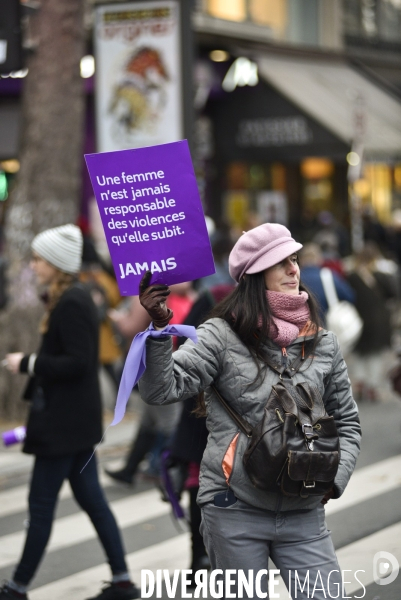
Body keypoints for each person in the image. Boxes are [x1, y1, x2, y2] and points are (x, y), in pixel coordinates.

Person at [137, 223, 361, 599]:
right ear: (256, 275)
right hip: (233, 508)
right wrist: (160, 330)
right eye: (282, 263)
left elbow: (349, 423)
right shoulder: (218, 335)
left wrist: (332, 478)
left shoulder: (324, 342)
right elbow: (162, 389)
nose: (294, 270)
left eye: (294, 260)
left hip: (304, 508)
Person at [1, 225, 139, 600]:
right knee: (93, 501)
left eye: (38, 259)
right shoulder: (70, 297)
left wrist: (29, 362)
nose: (33, 265)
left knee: (41, 506)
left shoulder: (73, 301)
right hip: (74, 424)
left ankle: (16, 587)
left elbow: (78, 362)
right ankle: (123, 581)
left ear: (57, 264)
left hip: (63, 425)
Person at [299, 243, 355, 323]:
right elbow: (350, 296)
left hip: (303, 328)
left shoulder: (296, 279)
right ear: (319, 259)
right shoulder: (329, 276)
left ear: (301, 260)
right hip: (328, 325)